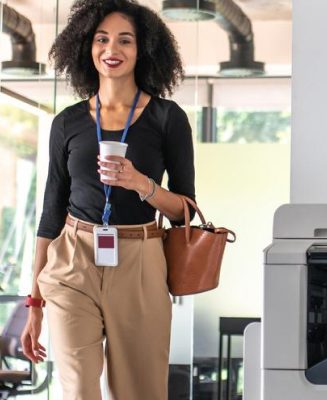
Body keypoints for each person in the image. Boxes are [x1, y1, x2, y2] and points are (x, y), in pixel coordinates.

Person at [19, 1, 195, 398]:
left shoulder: (168, 118)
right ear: (86, 46)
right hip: (72, 261)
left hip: (141, 260)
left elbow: (186, 212)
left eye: (124, 40)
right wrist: (34, 302)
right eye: (101, 39)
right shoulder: (67, 121)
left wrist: (141, 184)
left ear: (143, 50)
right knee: (78, 388)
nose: (111, 49)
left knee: (140, 391)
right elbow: (50, 213)